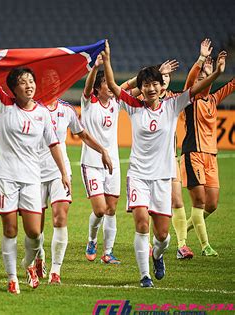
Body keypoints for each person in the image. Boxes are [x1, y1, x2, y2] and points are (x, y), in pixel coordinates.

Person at [101, 40, 227, 288]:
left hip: (162, 178)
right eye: (145, 84)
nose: (149, 88)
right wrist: (106, 61)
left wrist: (217, 73)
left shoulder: (173, 105)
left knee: (162, 236)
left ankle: (158, 256)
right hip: (138, 175)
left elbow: (196, 88)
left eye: (154, 84)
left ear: (161, 87)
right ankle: (144, 276)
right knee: (141, 224)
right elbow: (114, 87)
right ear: (142, 87)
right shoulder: (134, 106)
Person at [0, 37, 71, 294]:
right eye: (23, 82)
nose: (29, 86)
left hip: (33, 178)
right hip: (6, 177)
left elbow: (54, 144)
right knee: (10, 229)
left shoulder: (42, 112)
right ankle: (12, 278)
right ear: (14, 88)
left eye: (31, 81)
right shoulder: (4, 105)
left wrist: (64, 173)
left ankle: (28, 263)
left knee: (34, 233)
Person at [36, 66, 113, 285]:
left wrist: (103, 151)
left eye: (55, 80)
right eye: (47, 81)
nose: (52, 84)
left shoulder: (67, 110)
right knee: (36, 228)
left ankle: (55, 271)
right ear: (41, 85)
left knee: (60, 217)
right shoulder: (32, 109)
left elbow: (83, 135)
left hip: (60, 172)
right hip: (33, 172)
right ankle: (39, 255)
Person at [181, 53, 234, 257]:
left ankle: (182, 231)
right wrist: (201, 61)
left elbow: (230, 86)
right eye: (201, 78)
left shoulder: (213, 99)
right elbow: (190, 82)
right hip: (192, 153)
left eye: (207, 78)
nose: (204, 81)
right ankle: (205, 245)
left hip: (211, 156)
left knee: (211, 204)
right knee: (200, 201)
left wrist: (217, 72)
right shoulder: (190, 99)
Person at [80, 55, 121, 265]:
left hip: (112, 163)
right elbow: (87, 88)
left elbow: (129, 86)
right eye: (105, 83)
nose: (109, 86)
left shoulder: (116, 102)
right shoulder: (88, 103)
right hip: (92, 163)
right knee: (99, 209)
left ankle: (108, 252)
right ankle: (92, 240)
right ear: (98, 88)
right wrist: (95, 68)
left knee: (111, 209)